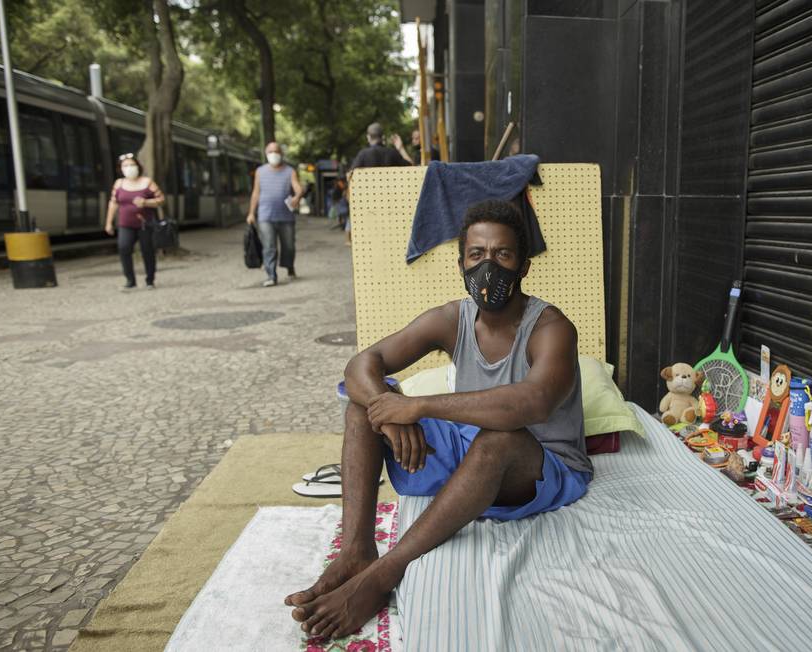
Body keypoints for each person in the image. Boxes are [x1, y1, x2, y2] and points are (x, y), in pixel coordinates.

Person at [284, 200, 591, 639]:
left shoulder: (551, 326)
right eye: (477, 255)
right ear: (461, 263)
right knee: (362, 407)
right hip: (473, 443)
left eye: (503, 255)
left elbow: (533, 402)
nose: (489, 267)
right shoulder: (453, 318)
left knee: (498, 440)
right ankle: (356, 549)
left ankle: (384, 573)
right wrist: (388, 414)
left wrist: (420, 406)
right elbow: (361, 363)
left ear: (523, 266)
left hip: (545, 465)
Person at [104, 154, 165, 290]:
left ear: (138, 166)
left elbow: (161, 199)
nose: (129, 168)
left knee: (147, 251)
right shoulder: (119, 184)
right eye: (125, 166)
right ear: (120, 169)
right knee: (124, 248)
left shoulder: (147, 182)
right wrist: (109, 222)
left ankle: (150, 280)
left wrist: (146, 202)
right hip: (125, 224)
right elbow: (113, 203)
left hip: (144, 224)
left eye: (132, 165)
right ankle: (130, 281)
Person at [247, 142, 304, 287]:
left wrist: (297, 196)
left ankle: (289, 266)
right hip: (265, 215)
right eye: (271, 151)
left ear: (281, 153)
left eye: (276, 151)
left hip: (286, 216)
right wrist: (251, 213)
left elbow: (297, 187)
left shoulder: (290, 171)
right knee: (269, 246)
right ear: (266, 154)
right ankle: (271, 275)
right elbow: (256, 193)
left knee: (289, 246)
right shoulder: (260, 171)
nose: (274, 154)